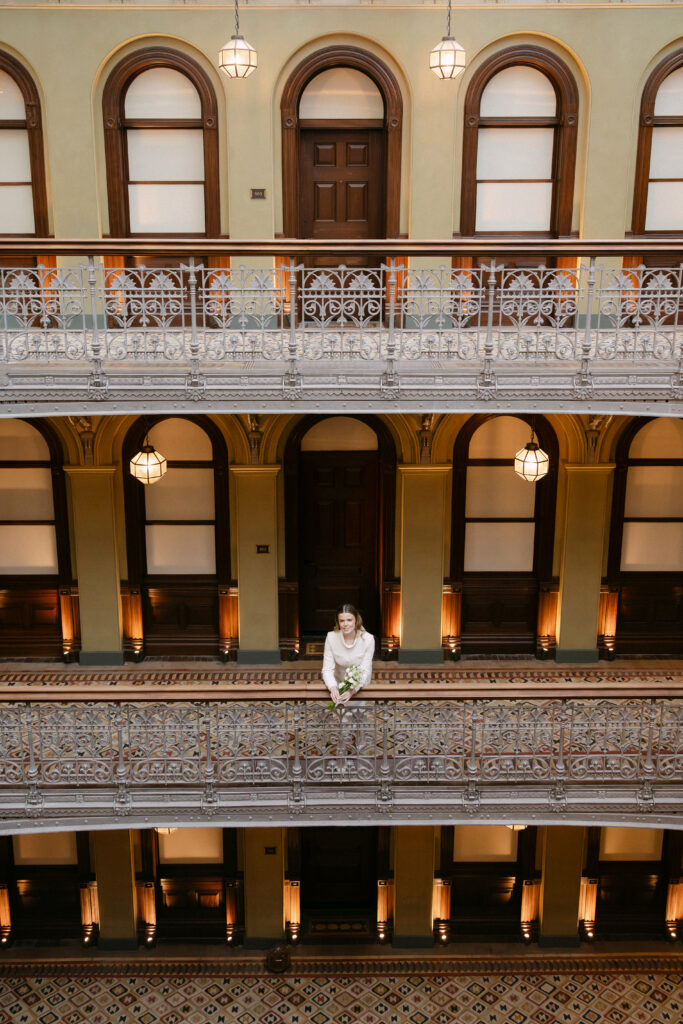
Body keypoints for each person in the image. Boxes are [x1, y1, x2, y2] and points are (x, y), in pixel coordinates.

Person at [322, 603, 375, 705]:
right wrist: (332, 687)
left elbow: (365, 671)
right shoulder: (331, 637)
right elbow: (327, 669)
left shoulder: (368, 639)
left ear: (356, 620)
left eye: (349, 620)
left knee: (357, 716)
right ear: (338, 622)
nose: (345, 624)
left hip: (359, 684)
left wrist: (352, 690)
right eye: (342, 621)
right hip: (337, 682)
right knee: (339, 714)